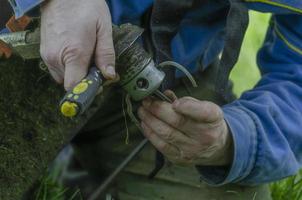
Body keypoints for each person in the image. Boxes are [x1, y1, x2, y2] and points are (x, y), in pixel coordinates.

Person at [4, 0, 302, 199]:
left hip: (165, 79)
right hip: (27, 31)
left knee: (234, 193)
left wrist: (230, 139)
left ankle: (80, 162)